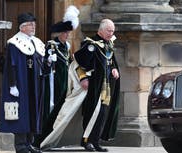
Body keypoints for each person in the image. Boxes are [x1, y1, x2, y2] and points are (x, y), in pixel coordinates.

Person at [33, 5, 79, 147]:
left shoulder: (67, 47)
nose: (67, 35)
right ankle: (40, 140)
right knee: (49, 111)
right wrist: (48, 61)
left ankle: (53, 138)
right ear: (59, 33)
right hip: (53, 84)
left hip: (65, 83)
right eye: (65, 32)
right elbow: (43, 66)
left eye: (68, 33)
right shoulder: (51, 46)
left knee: (60, 112)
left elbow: (70, 63)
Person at [0, 12, 45, 153]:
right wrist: (12, 85)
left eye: (34, 24)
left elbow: (38, 62)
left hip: (33, 84)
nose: (33, 27)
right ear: (22, 27)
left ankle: (29, 143)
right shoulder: (14, 43)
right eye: (30, 24)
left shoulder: (35, 42)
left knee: (32, 113)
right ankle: (20, 146)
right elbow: (11, 65)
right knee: (22, 114)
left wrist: (48, 62)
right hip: (21, 84)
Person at [74, 19, 120, 152]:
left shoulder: (108, 44)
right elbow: (78, 62)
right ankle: (86, 141)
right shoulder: (90, 44)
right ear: (100, 30)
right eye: (108, 31)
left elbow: (110, 62)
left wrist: (114, 69)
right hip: (93, 85)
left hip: (105, 85)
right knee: (91, 113)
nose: (111, 33)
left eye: (112, 31)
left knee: (102, 114)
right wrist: (83, 78)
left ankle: (95, 141)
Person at [39, 59, 88, 150]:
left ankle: (87, 140)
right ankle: (46, 139)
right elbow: (77, 64)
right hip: (63, 86)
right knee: (62, 114)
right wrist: (83, 77)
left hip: (68, 84)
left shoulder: (67, 48)